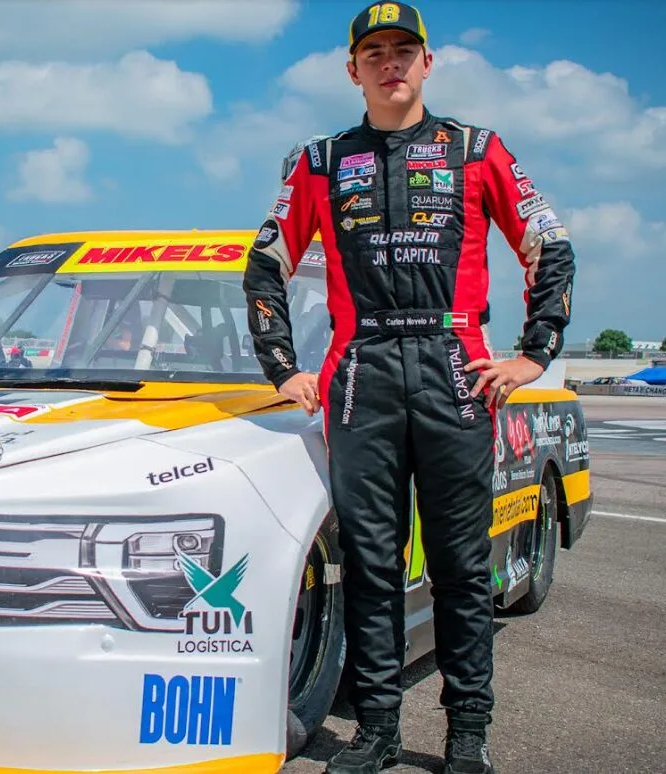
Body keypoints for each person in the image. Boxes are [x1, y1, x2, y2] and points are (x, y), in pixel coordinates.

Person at [241, 4, 576, 773]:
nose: (389, 63)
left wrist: (534, 354)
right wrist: (281, 365)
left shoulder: (475, 149)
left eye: (403, 50)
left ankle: (467, 735)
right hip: (360, 369)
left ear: (427, 62)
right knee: (370, 561)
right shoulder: (321, 161)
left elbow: (548, 246)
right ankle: (376, 730)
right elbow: (264, 264)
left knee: (460, 563)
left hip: (454, 366)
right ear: (352, 70)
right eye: (373, 53)